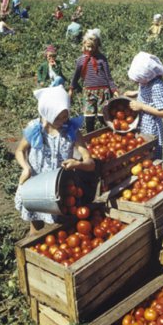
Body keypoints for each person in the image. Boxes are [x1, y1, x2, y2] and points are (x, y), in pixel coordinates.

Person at [14, 86, 94, 234]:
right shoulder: (35, 128)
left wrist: (79, 163)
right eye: (58, 117)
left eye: (65, 116)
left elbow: (90, 163)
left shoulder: (71, 131)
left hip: (60, 187)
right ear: (47, 112)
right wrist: (26, 168)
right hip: (35, 185)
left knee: (62, 226)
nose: (63, 121)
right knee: (36, 224)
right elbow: (20, 150)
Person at [124, 52, 163, 160]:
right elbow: (148, 93)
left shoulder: (157, 86)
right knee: (142, 152)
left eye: (139, 79)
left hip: (151, 128)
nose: (137, 82)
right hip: (142, 124)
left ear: (147, 76)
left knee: (151, 155)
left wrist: (142, 106)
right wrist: (135, 93)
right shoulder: (146, 81)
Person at [69, 29, 119, 132]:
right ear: (84, 45)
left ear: (97, 46)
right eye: (88, 46)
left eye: (92, 47)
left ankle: (112, 132)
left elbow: (108, 77)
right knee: (89, 118)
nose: (90, 49)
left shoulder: (102, 58)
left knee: (103, 116)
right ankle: (89, 139)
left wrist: (114, 90)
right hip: (88, 92)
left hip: (103, 91)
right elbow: (76, 76)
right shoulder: (81, 60)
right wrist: (71, 89)